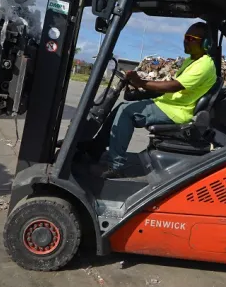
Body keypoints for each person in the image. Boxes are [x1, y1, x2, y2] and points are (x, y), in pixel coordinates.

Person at [93, 21, 217, 179]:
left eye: (191, 38)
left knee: (126, 112)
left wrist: (141, 83)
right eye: (185, 37)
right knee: (121, 108)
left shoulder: (204, 65)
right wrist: (141, 90)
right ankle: (95, 148)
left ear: (205, 43)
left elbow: (174, 86)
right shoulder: (191, 61)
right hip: (169, 105)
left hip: (177, 111)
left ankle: (116, 166)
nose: (185, 41)